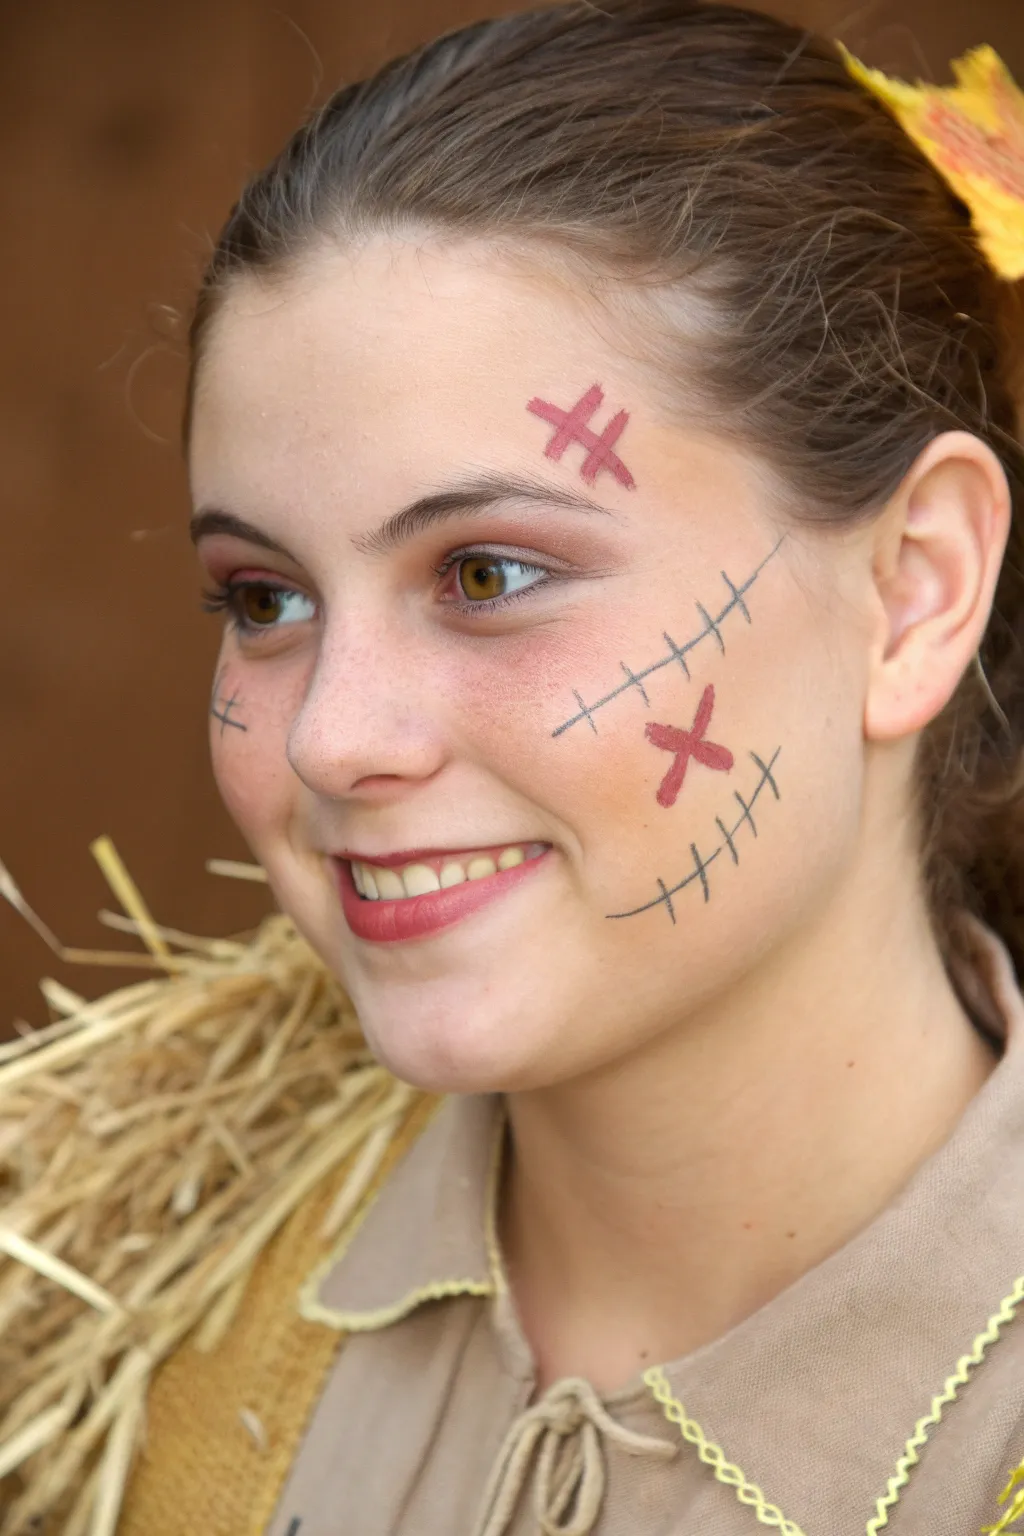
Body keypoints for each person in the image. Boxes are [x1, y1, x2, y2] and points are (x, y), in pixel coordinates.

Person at [2, 3, 1024, 1533]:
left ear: (914, 588)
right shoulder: (144, 1312)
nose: (334, 735)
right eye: (264, 600)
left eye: (486, 573)